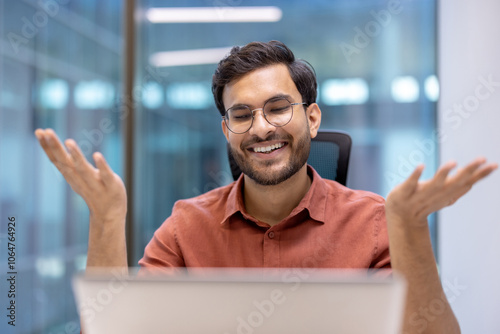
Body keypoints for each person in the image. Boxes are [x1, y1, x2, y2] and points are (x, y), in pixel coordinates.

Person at [35, 40, 496, 333]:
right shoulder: (186, 224)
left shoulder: (374, 222)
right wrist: (107, 217)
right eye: (242, 115)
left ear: (312, 119)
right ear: (226, 131)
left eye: (278, 108)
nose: (261, 128)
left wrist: (410, 227)